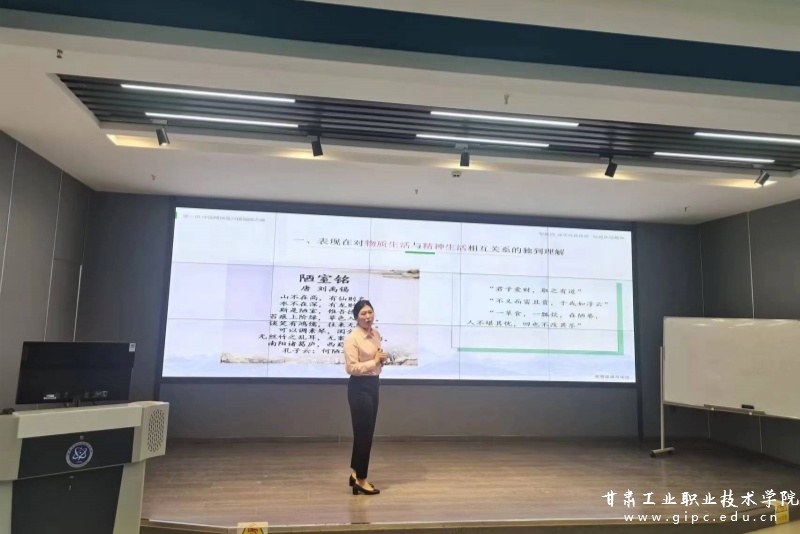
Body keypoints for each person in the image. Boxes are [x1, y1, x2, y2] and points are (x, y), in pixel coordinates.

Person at [343, 299, 387, 495]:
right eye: (363, 314)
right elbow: (351, 368)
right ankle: (361, 480)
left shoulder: (376, 334)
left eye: (370, 312)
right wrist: (374, 361)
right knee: (363, 434)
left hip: (373, 384)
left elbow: (375, 361)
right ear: (356, 317)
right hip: (359, 387)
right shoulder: (352, 338)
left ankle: (355, 473)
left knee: (366, 433)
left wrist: (380, 362)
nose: (368, 316)